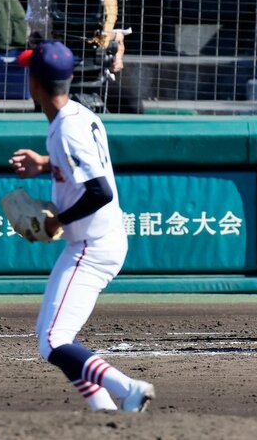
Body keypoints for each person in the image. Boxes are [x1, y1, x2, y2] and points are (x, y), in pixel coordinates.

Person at [8, 41, 155, 411]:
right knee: (51, 336)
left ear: (35, 84)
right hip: (95, 241)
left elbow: (99, 190)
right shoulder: (77, 114)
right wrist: (44, 164)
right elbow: (87, 173)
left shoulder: (68, 128)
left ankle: (126, 388)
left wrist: (58, 219)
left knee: (54, 342)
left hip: (93, 246)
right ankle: (103, 408)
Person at [26, 0, 143, 114]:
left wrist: (117, 57)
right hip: (57, 71)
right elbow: (36, 36)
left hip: (97, 71)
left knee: (132, 105)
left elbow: (118, 38)